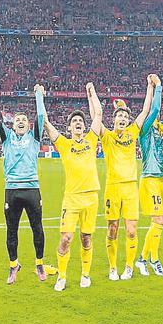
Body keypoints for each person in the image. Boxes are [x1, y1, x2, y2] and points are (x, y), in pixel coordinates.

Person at [43, 83, 105, 292]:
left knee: (86, 238)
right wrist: (39, 96)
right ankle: (61, 276)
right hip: (71, 199)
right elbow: (45, 122)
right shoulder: (63, 144)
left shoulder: (90, 139)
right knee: (66, 238)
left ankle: (85, 275)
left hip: (91, 198)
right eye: (74, 121)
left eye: (80, 121)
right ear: (69, 128)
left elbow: (98, 113)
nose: (78, 122)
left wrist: (92, 92)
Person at [0, 83, 50, 284]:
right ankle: (14, 265)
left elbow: (40, 117)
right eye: (17, 120)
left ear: (29, 125)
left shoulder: (34, 137)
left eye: (24, 119)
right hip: (11, 190)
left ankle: (39, 263)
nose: (21, 121)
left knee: (37, 228)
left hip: (32, 189)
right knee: (11, 230)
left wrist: (38, 95)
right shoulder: (7, 138)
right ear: (12, 125)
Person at [100, 75, 157, 281]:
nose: (123, 119)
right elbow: (96, 118)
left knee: (131, 231)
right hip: (112, 188)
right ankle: (113, 267)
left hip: (130, 188)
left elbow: (145, 110)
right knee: (112, 228)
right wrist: (92, 95)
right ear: (113, 119)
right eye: (119, 116)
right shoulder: (106, 136)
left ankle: (129, 267)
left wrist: (149, 87)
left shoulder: (133, 132)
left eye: (125, 116)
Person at [136, 77, 163, 277]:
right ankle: (153, 259)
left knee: (159, 223)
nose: (157, 115)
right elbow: (153, 111)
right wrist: (158, 87)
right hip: (150, 179)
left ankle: (143, 259)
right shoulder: (144, 130)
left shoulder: (162, 128)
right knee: (159, 220)